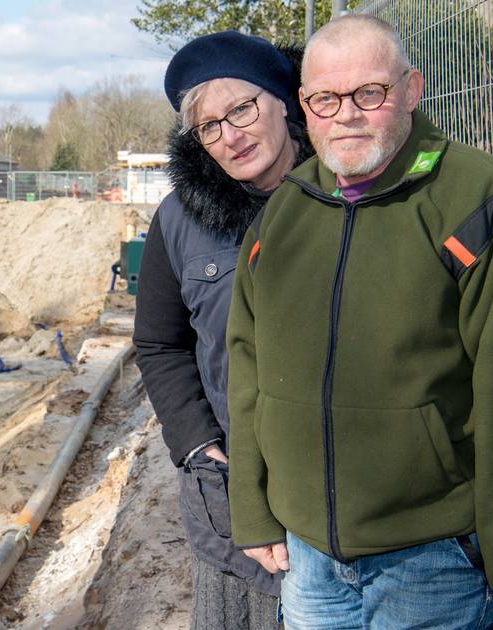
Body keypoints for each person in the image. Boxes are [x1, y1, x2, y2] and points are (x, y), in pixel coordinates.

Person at [226, 14, 493, 630]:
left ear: (412, 90)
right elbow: (246, 369)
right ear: (305, 104)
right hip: (306, 559)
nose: (345, 114)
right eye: (325, 98)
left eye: (369, 93)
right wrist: (252, 508)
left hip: (430, 562)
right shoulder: (283, 214)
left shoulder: (483, 203)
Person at [133, 31, 314, 629]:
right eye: (209, 126)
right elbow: (159, 343)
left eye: (242, 109)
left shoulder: (347, 195)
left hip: (339, 489)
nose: (230, 136)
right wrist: (197, 444)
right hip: (230, 489)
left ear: (284, 101)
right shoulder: (179, 219)